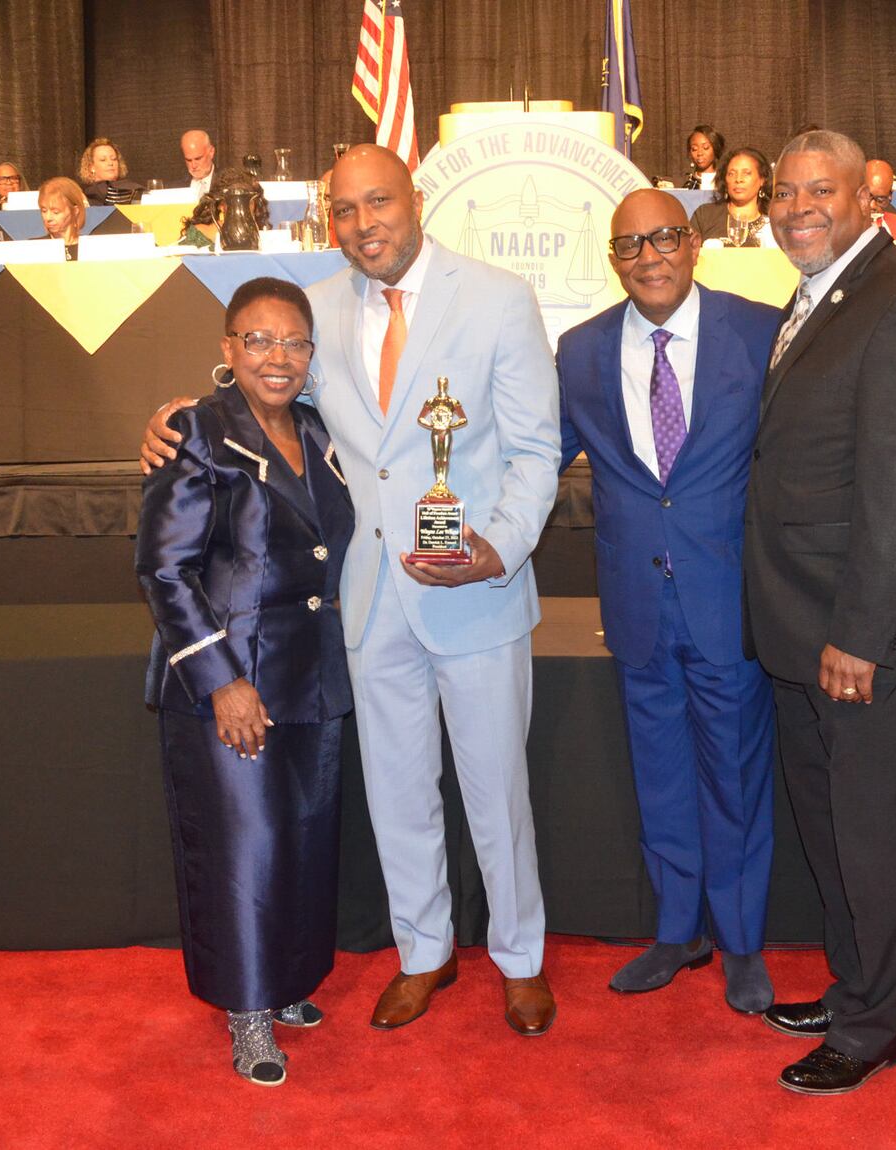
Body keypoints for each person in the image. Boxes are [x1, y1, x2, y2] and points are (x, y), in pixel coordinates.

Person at [141, 144, 562, 1038]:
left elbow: (535, 452)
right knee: (397, 792)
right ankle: (424, 951)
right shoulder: (317, 311)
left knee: (497, 792)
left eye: (379, 203)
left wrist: (500, 547)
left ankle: (519, 958)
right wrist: (177, 416)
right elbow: (264, 383)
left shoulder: (498, 298)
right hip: (364, 601)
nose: (363, 224)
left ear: (416, 200)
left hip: (477, 590)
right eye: (345, 210)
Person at [746, 129, 896, 1095]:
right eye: (784, 191)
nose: (798, 206)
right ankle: (855, 985)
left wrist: (861, 633)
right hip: (803, 628)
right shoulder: (818, 296)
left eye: (821, 191)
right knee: (833, 829)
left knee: (879, 840)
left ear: (867, 200)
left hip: (868, 637)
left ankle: (875, 1026)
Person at [556, 188, 780, 1012]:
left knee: (735, 778)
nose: (648, 258)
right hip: (637, 607)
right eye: (628, 246)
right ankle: (678, 930)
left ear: (694, 244)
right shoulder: (578, 352)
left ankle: (743, 942)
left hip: (730, 601)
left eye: (664, 239)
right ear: (610, 259)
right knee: (660, 778)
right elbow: (534, 453)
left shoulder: (758, 332)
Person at [136, 276, 353, 1087]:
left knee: (301, 840)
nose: (278, 356)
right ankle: (248, 1012)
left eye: (294, 342)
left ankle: (287, 982)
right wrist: (222, 681)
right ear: (228, 350)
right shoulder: (198, 431)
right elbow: (163, 568)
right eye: (259, 340)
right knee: (244, 852)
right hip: (231, 685)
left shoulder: (317, 427)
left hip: (312, 676)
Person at [690, 147, 774, 247]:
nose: (738, 179)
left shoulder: (774, 220)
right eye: (731, 174)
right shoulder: (705, 215)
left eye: (746, 173)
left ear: (762, 179)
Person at [80, 137, 143, 205]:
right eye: (103, 160)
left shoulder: (134, 191)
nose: (110, 163)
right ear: (91, 167)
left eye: (114, 159)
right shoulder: (81, 197)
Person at [37, 177, 88, 242]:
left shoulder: (91, 246)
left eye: (56, 212)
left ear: (75, 211)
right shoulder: (33, 246)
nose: (48, 218)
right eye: (44, 211)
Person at [864, 159, 896, 234]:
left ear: (890, 196)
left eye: (880, 200)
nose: (872, 206)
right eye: (867, 197)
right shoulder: (842, 228)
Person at [684, 125, 724, 190]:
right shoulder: (686, 183)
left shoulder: (724, 182)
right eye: (694, 149)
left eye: (706, 148)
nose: (700, 153)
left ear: (716, 149)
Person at [181, 129, 218, 197]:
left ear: (211, 152)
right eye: (189, 160)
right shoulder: (177, 186)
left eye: (198, 159)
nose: (194, 165)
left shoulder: (227, 183)